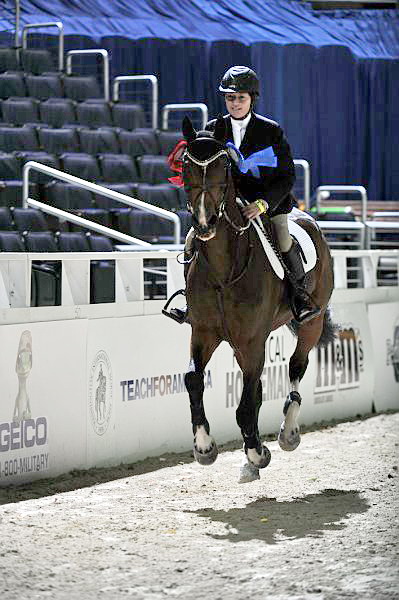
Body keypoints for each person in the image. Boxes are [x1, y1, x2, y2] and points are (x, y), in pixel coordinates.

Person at [169, 65, 320, 324]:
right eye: (230, 98)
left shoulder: (271, 131)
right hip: (227, 202)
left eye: (241, 98)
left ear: (252, 99)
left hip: (267, 203)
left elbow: (287, 176)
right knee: (194, 236)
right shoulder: (214, 127)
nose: (235, 103)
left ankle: (299, 297)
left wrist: (262, 204)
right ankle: (189, 298)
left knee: (284, 240)